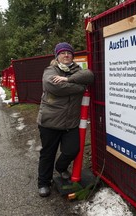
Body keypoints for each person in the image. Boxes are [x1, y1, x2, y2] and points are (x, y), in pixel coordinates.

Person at [36, 42, 94, 197]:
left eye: (69, 53)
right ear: (57, 56)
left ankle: (61, 167)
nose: (66, 55)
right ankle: (43, 183)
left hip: (70, 123)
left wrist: (67, 80)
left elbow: (89, 76)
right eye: (62, 53)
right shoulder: (50, 70)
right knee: (48, 153)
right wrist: (80, 88)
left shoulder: (77, 70)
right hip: (50, 122)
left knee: (72, 149)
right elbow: (54, 87)